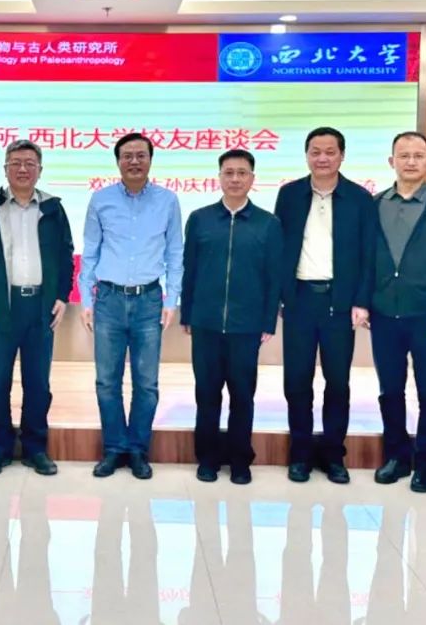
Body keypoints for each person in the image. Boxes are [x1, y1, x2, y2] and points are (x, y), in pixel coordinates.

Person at [0, 140, 74, 477]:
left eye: (29, 163)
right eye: (15, 163)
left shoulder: (53, 209)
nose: (23, 169)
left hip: (40, 307)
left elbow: (66, 254)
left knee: (38, 383)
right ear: (5, 169)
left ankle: (34, 447)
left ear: (40, 169)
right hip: (1, 308)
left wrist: (62, 295)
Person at [274, 127, 376, 484]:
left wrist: (361, 300)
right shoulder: (289, 195)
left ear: (342, 156)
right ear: (306, 156)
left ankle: (334, 455)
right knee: (296, 382)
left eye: (330, 152)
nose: (322, 158)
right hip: (299, 300)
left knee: (337, 383)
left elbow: (368, 255)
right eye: (315, 151)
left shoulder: (360, 198)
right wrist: (279, 296)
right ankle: (300, 454)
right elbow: (278, 249)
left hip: (340, 302)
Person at [79, 132, 183, 480]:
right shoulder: (101, 200)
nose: (134, 161)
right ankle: (113, 448)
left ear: (150, 160)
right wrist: (86, 297)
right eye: (127, 156)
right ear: (118, 161)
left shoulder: (168, 201)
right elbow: (90, 252)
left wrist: (171, 298)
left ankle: (138, 449)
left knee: (146, 383)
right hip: (108, 299)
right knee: (107, 381)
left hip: (149, 300)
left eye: (141, 155)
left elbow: (175, 254)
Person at [181, 149, 282, 485]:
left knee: (242, 395)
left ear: (252, 179)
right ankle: (207, 459)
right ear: (219, 177)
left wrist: (267, 321)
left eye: (242, 173)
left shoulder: (268, 223)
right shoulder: (200, 219)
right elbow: (189, 268)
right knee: (206, 394)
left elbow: (274, 276)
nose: (235, 179)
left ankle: (240, 460)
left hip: (246, 326)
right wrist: (188, 313)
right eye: (229, 172)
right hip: (206, 323)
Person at [370, 132, 426, 493]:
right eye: (404, 155)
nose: (411, 161)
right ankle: (396, 456)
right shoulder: (375, 204)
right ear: (391, 161)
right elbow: (365, 258)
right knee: (390, 390)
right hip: (384, 313)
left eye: (418, 155)